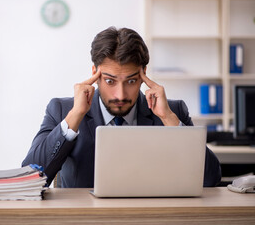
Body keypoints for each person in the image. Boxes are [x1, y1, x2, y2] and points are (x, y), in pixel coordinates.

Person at [22, 27, 222, 188]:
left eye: (131, 81)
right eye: (110, 81)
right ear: (95, 73)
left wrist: (169, 119)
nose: (120, 95)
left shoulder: (173, 111)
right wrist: (75, 116)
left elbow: (210, 179)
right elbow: (31, 177)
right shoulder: (62, 109)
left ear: (143, 74)